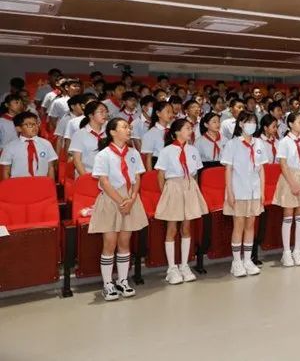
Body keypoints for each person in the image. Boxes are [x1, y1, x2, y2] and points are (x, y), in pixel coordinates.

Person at [88, 118, 148, 301]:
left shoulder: (133, 153)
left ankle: (123, 280)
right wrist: (122, 201)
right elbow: (104, 181)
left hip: (130, 198)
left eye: (129, 127)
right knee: (110, 243)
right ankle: (107, 284)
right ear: (113, 132)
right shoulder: (103, 155)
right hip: (111, 199)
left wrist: (132, 199)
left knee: (124, 242)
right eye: (124, 127)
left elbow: (137, 177)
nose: (128, 130)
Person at [155, 119, 208, 285]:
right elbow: (160, 175)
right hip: (173, 186)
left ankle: (184, 265)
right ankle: (172, 268)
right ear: (177, 131)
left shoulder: (193, 150)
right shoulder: (167, 151)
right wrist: (166, 194)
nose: (190, 131)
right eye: (187, 128)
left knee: (186, 228)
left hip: (189, 185)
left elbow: (195, 173)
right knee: (171, 229)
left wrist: (193, 189)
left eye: (191, 128)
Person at [220, 111, 268, 278]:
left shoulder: (259, 143)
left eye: (254, 122)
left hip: (254, 191)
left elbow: (261, 169)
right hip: (238, 191)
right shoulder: (232, 144)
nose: (251, 125)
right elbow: (228, 170)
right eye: (248, 122)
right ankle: (236, 262)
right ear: (240, 124)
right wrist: (230, 193)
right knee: (238, 225)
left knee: (250, 225)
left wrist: (262, 191)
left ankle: (247, 260)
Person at [274, 113, 300, 267]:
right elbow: (283, 165)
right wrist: (292, 183)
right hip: (289, 177)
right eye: (299, 122)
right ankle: (286, 252)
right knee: (288, 215)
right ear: (290, 124)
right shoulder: (284, 142)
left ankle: (297, 251)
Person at [0, 112, 57, 180]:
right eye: (29, 125)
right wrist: (7, 186)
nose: (35, 127)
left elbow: (50, 167)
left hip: (41, 183)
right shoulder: (10, 147)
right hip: (19, 184)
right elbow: (6, 170)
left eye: (36, 123)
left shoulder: (46, 144)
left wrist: (51, 185)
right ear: (19, 128)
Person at [69, 101, 109, 177]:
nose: (105, 114)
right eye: (101, 112)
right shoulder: (80, 134)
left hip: (107, 176)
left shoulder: (109, 133)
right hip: (88, 174)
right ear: (90, 115)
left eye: (106, 112)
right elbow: (77, 161)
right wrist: (87, 179)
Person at [141, 101, 173, 171]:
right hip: (157, 166)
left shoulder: (173, 131)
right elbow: (148, 158)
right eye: (168, 112)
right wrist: (150, 175)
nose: (171, 114)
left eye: (172, 112)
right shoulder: (151, 133)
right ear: (158, 113)